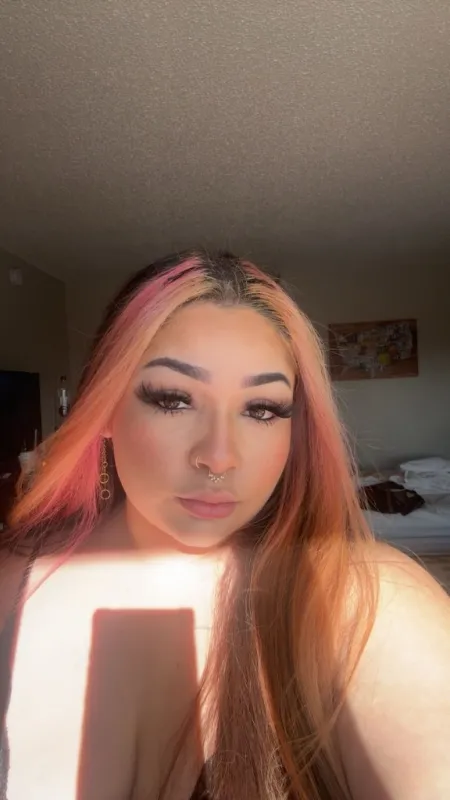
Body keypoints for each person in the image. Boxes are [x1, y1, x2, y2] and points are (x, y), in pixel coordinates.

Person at [1, 249, 449, 800]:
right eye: (173, 400)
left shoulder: (366, 601)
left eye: (262, 409)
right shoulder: (11, 584)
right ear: (106, 407)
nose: (219, 457)